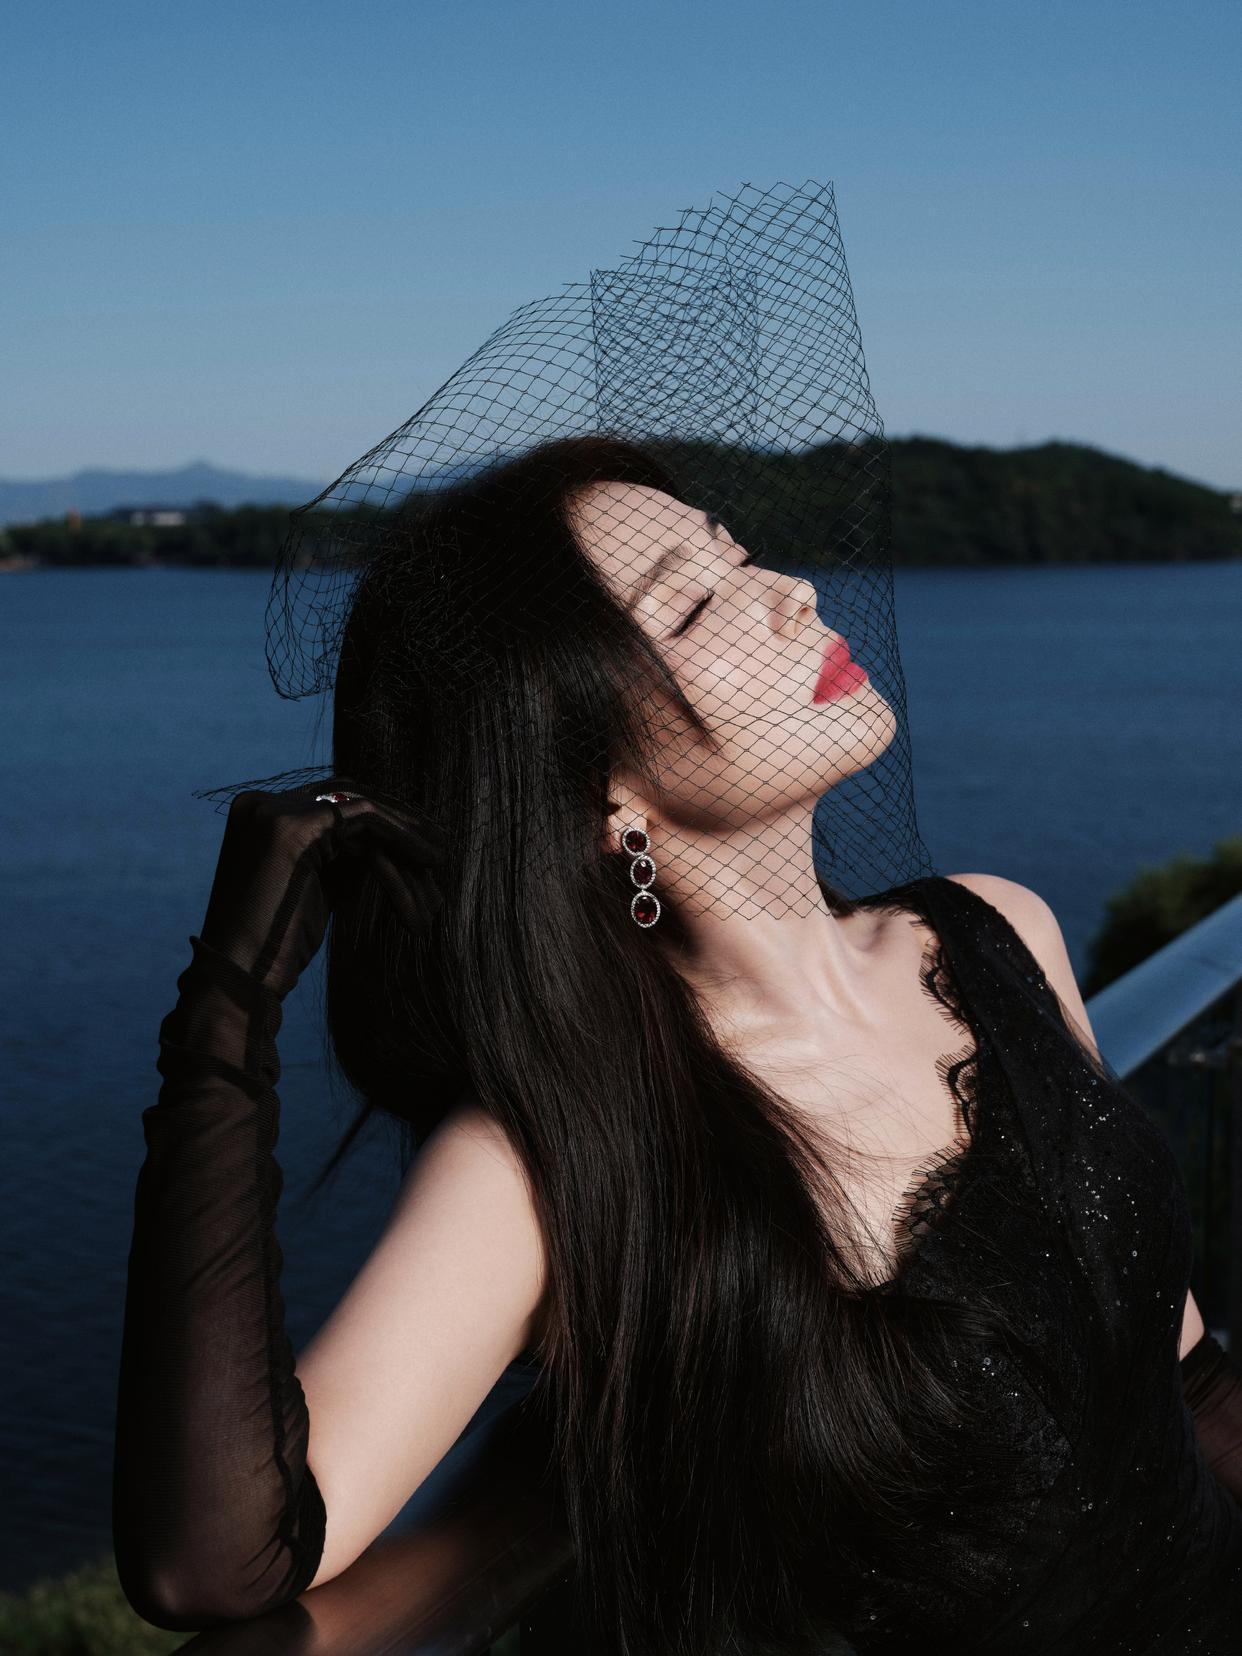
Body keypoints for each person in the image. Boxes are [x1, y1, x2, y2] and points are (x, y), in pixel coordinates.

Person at [112, 184, 1242, 1654]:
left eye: (738, 553)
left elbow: (1180, 1373)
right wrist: (223, 1017)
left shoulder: (995, 934)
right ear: (598, 793)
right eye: (697, 607)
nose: (792, 593)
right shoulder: (559, 1153)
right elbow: (217, 1567)